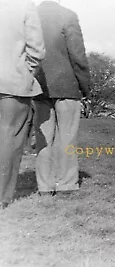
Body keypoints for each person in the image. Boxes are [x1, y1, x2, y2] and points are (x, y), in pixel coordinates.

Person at [34, 0, 91, 196]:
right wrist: (85, 87)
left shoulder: (30, 15)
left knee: (43, 140)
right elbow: (78, 56)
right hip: (67, 86)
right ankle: (66, 184)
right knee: (67, 138)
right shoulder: (68, 15)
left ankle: (44, 186)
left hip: (38, 86)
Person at [0, 0, 45, 208]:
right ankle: (2, 197)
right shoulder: (25, 6)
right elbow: (37, 50)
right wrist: (26, 73)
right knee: (10, 138)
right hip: (12, 82)